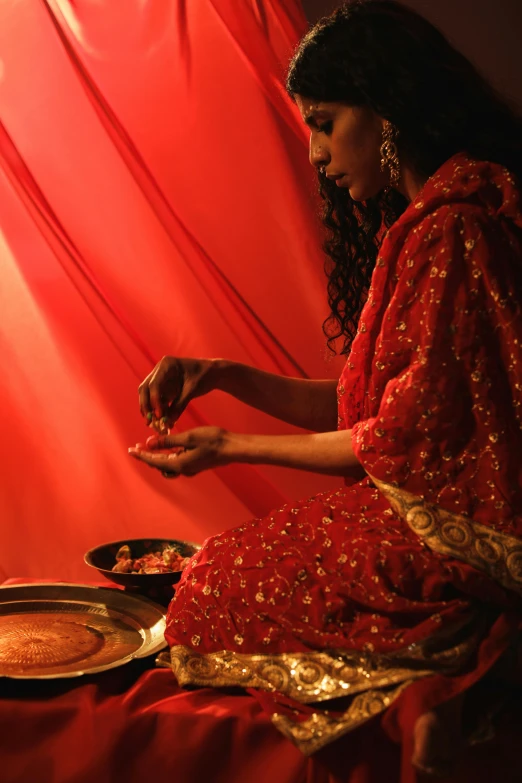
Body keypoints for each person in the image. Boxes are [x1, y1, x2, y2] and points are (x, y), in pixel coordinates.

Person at [128, 0, 522, 777]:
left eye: (324, 121)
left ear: (388, 111)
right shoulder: (422, 220)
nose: (314, 152)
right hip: (412, 510)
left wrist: (227, 447)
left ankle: (444, 679)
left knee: (212, 581)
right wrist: (221, 376)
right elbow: (367, 407)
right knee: (214, 570)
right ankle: (436, 685)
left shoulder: (456, 227)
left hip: (452, 535)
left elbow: (394, 443)